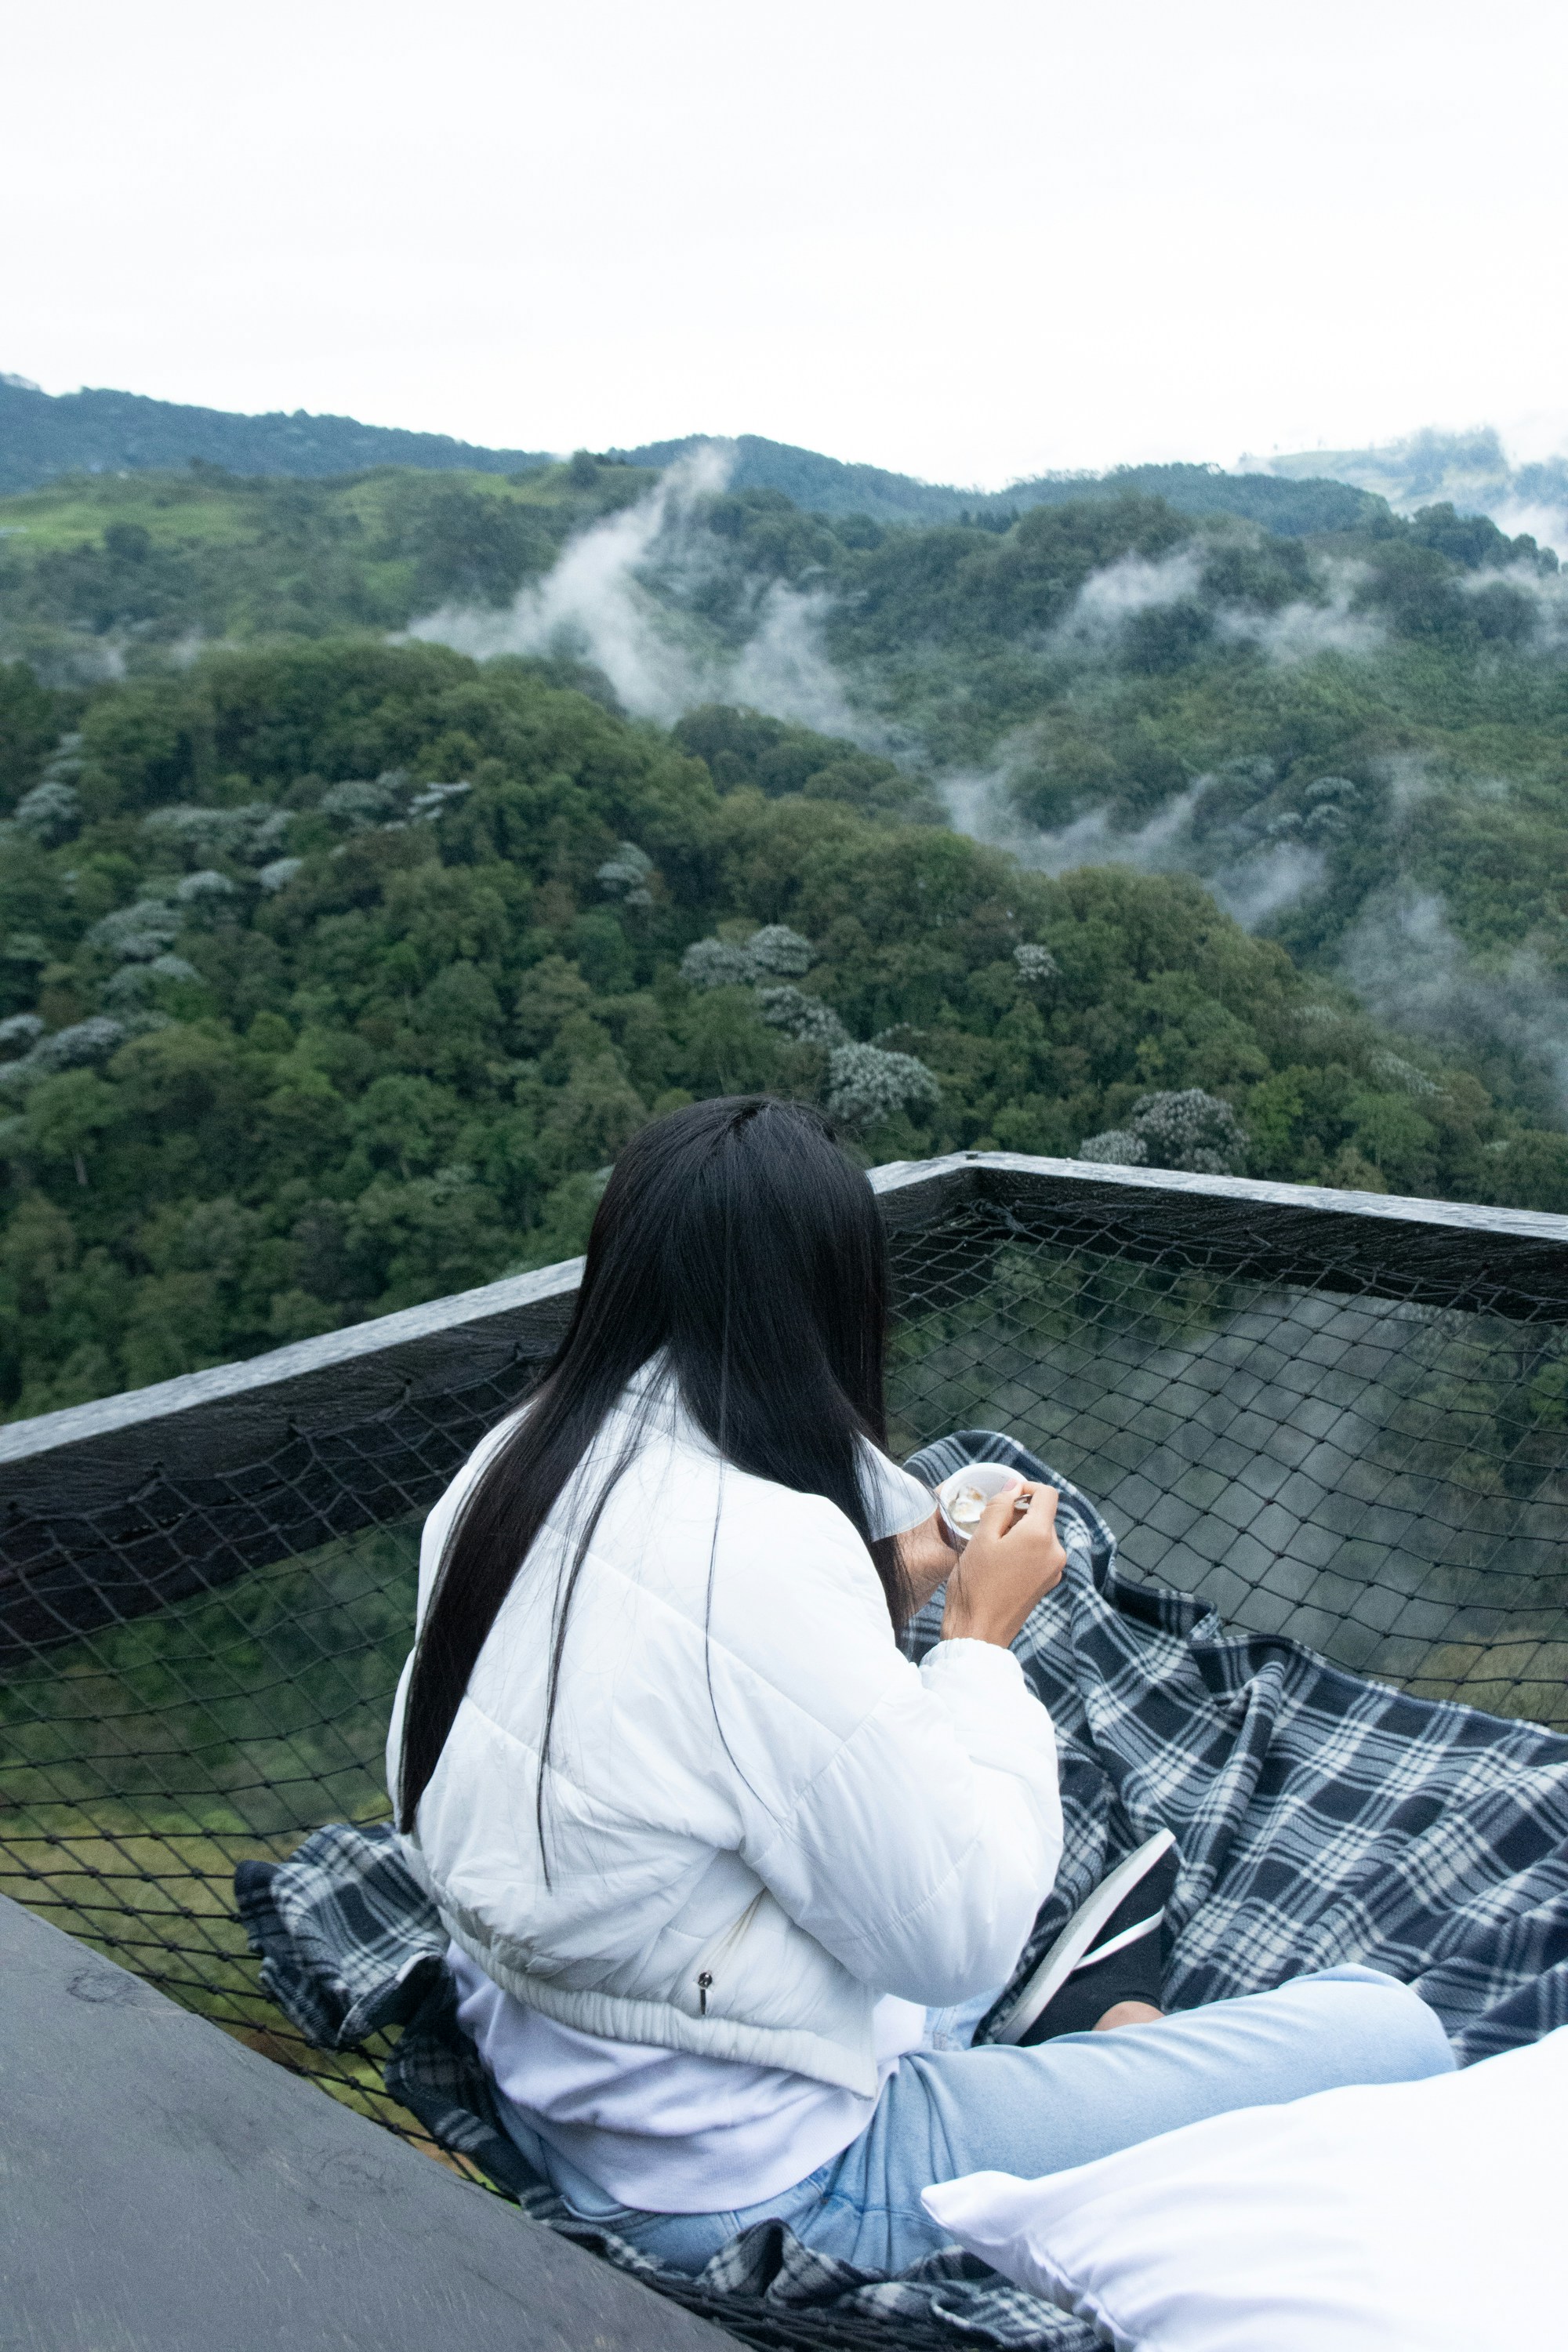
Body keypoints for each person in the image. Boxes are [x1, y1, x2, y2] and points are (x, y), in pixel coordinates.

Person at [387, 1095, 1454, 2278]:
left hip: (552, 2067)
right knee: (1389, 2031)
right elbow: (959, 1942)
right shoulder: (759, 1556)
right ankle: (1101, 2046)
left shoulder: (518, 1460)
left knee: (967, 1829)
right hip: (750, 2184)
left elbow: (707, 1700)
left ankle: (1087, 2046)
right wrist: (981, 1634)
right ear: (831, 1300)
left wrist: (903, 1575)